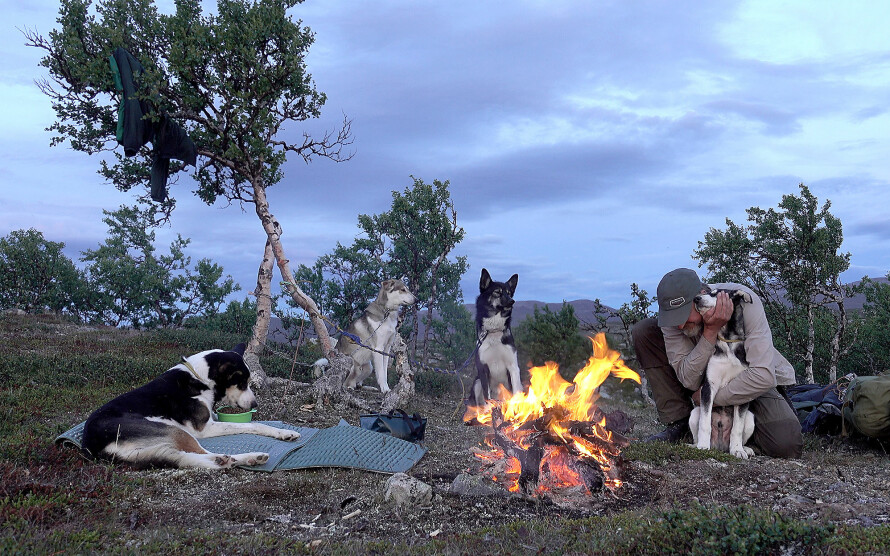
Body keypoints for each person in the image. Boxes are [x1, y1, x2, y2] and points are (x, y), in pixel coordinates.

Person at [631, 268, 803, 458]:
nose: (679, 325)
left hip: (749, 380)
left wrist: (711, 398)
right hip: (702, 379)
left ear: (701, 296)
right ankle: (681, 424)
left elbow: (763, 375)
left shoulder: (742, 300)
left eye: (683, 315)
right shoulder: (672, 322)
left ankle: (741, 438)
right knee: (645, 331)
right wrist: (711, 332)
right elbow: (688, 379)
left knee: (787, 443)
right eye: (674, 317)